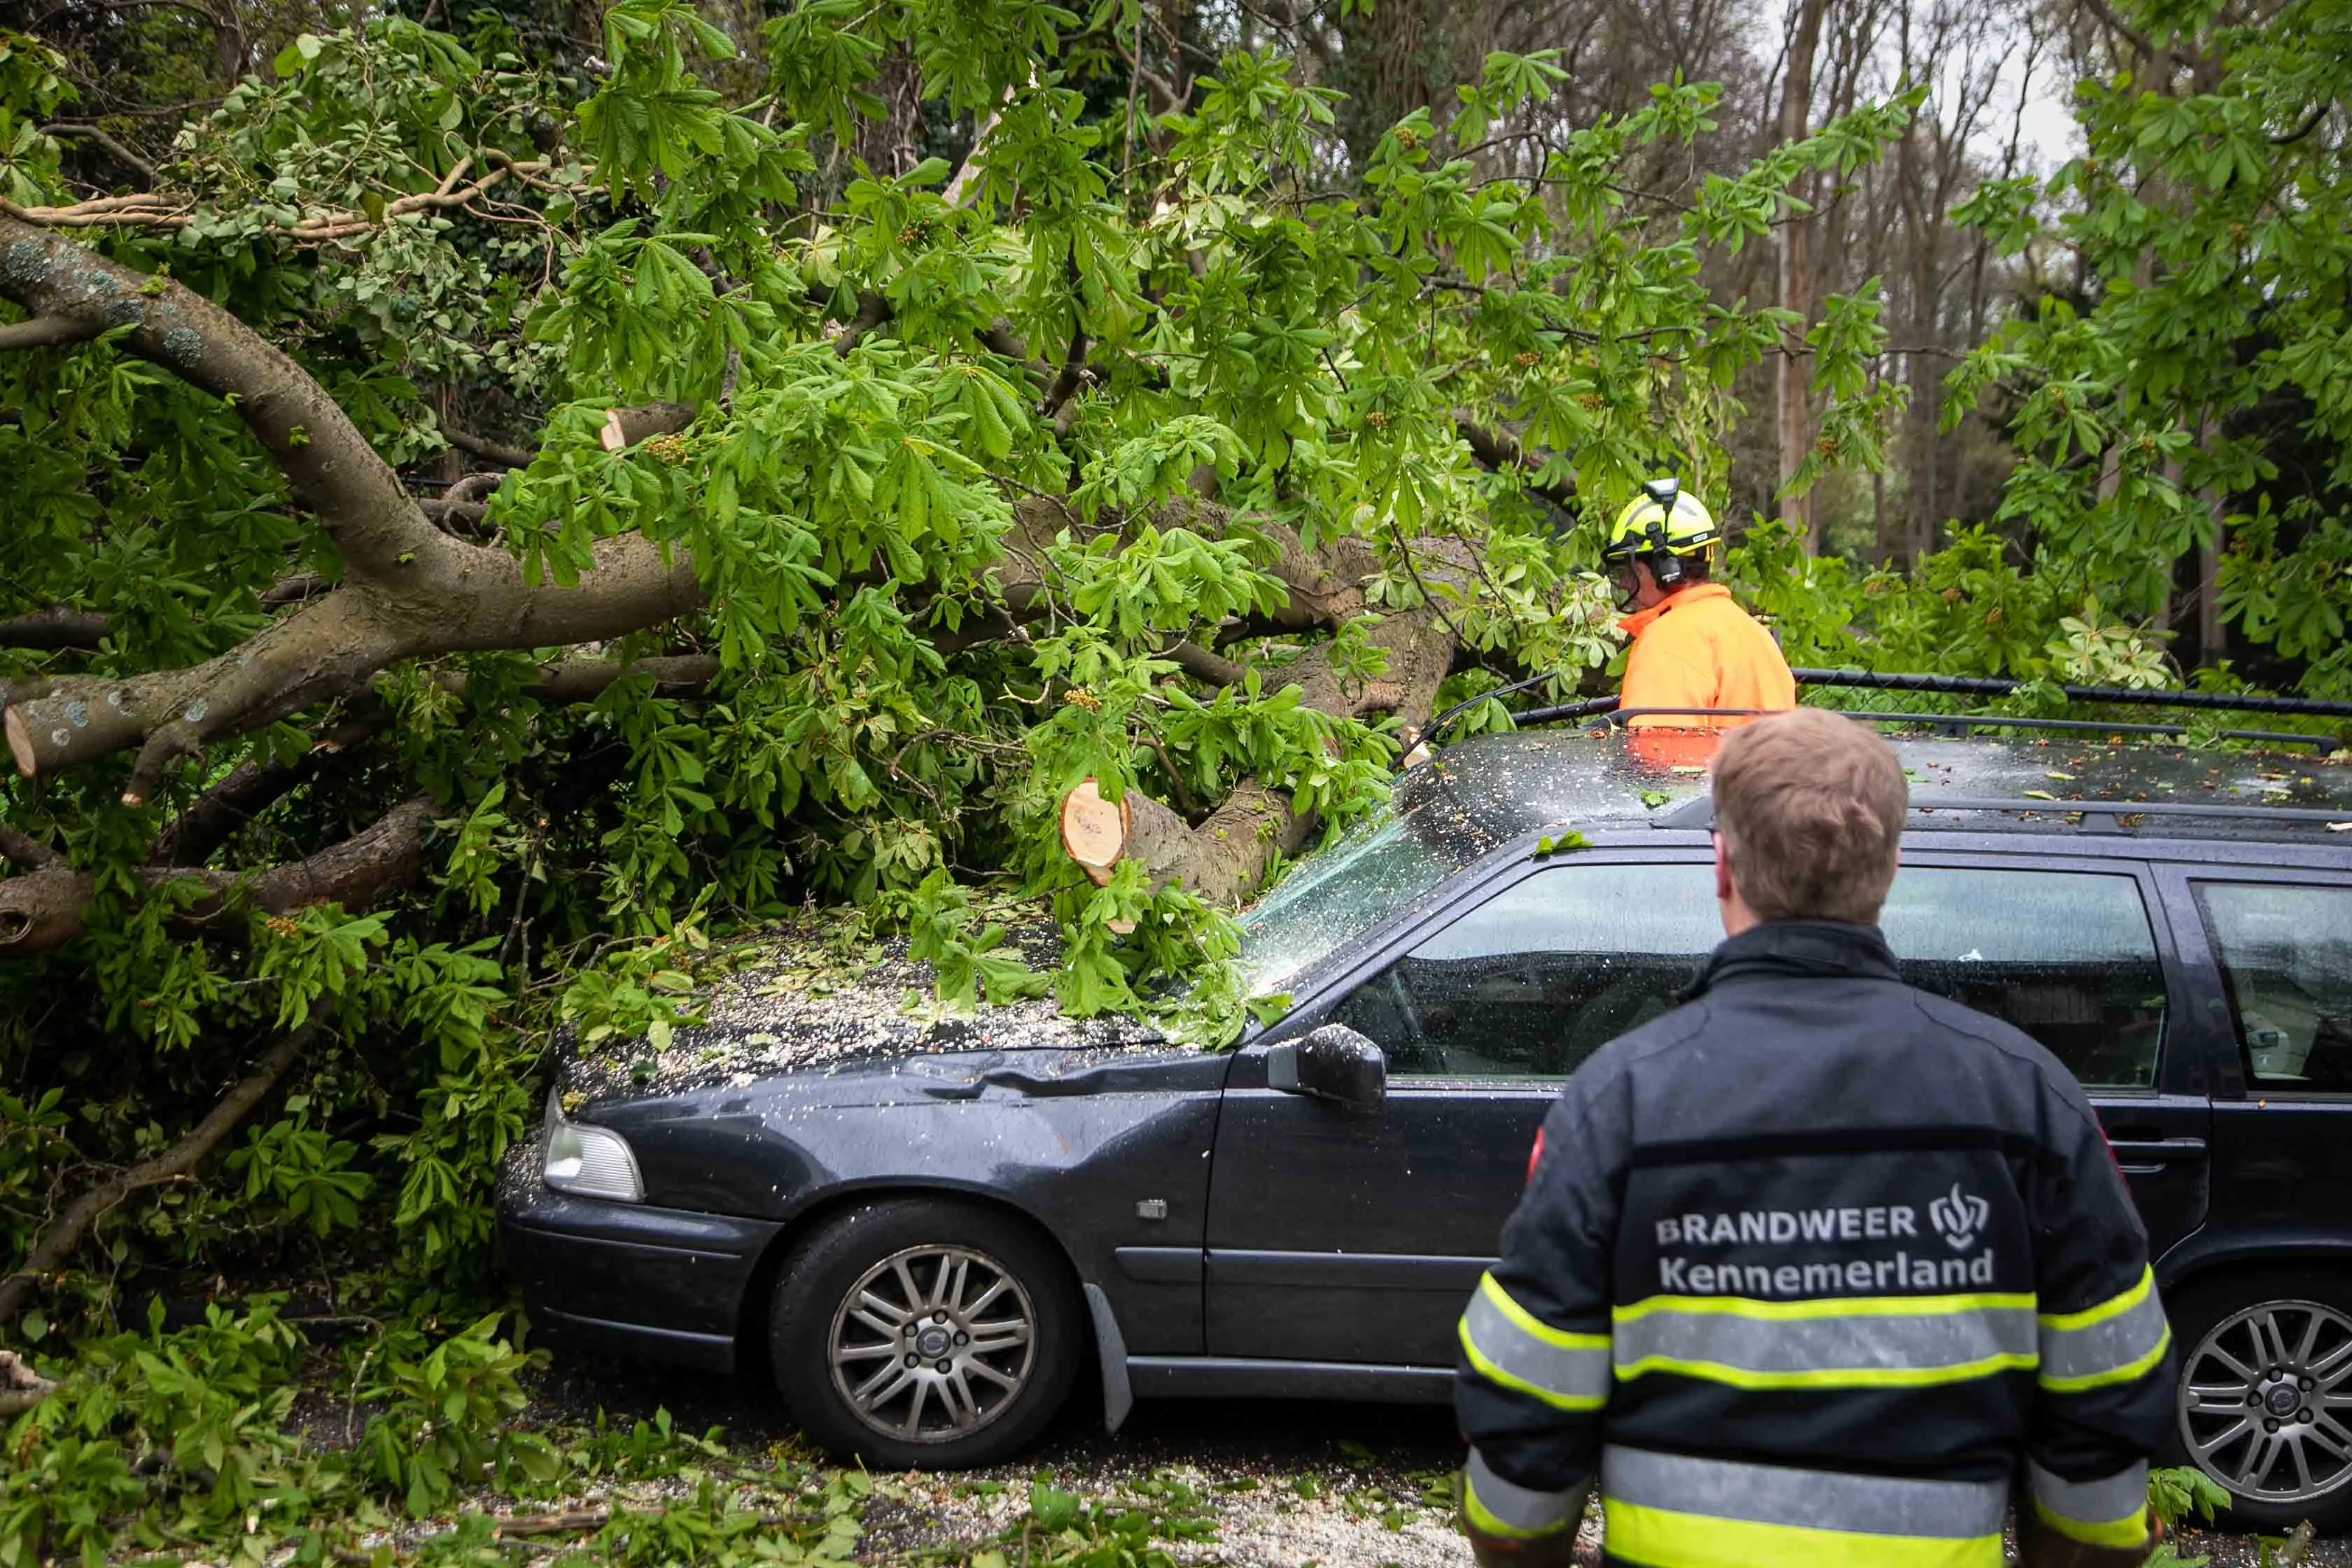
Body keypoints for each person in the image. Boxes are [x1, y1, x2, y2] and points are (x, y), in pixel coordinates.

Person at [1454, 708, 2173, 1568]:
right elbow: (2104, 1394)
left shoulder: (1622, 1098)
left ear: (1721, 862)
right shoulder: (2028, 1097)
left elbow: (1532, 1396)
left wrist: (1517, 1547)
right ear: (1891, 867)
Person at [1604, 479, 1795, 729]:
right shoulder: (1752, 631)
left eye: (1632, 572)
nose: (1624, 584)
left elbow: (1657, 758)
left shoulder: (1669, 640)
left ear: (1666, 570)